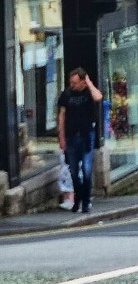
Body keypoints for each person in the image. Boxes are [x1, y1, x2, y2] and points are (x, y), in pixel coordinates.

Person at [58, 68, 102, 214]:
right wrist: (61, 137)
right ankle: (77, 201)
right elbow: (62, 116)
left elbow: (98, 97)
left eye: (75, 82)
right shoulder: (66, 94)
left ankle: (86, 201)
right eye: (71, 82)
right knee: (74, 172)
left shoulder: (89, 92)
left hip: (86, 136)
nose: (72, 85)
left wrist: (89, 83)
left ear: (83, 81)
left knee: (87, 170)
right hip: (71, 137)